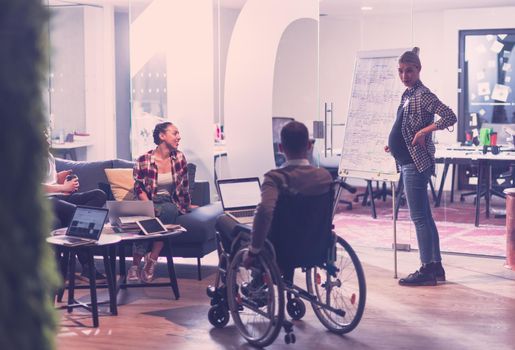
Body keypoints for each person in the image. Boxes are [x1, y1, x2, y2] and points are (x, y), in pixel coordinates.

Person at [216, 121, 333, 276]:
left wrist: (253, 251)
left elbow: (264, 212)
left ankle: (230, 281)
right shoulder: (324, 177)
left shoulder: (275, 178)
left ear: (280, 148)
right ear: (309, 146)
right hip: (316, 244)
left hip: (282, 249)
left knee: (222, 221)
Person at [385, 47, 457, 286]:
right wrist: (394, 144)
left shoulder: (423, 94)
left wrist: (425, 132)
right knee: (425, 217)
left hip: (416, 164)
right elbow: (404, 125)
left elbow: (449, 116)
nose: (405, 75)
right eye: (401, 71)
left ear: (418, 70)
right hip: (407, 160)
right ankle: (436, 268)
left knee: (418, 218)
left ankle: (426, 269)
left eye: (409, 71)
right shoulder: (407, 94)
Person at [129, 122, 193, 283]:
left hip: (168, 201)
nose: (179, 137)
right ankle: (140, 263)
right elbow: (139, 188)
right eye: (175, 133)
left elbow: (184, 186)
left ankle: (150, 260)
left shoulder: (179, 157)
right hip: (147, 200)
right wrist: (148, 207)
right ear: (162, 136)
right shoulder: (143, 159)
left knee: (169, 211)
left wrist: (187, 205)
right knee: (146, 218)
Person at [43, 145, 107, 281]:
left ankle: (72, 226)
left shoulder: (48, 155)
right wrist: (63, 187)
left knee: (99, 195)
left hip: (59, 196)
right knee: (75, 213)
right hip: (44, 201)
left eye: (47, 132)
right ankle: (88, 266)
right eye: (43, 132)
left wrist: (61, 179)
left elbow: (49, 180)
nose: (46, 136)